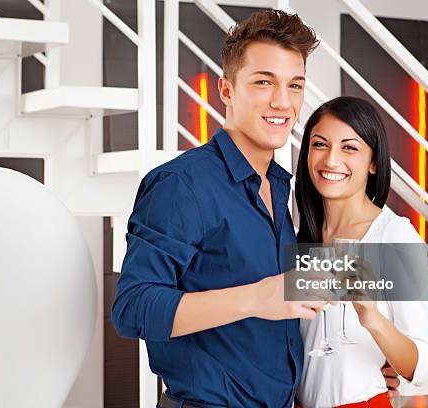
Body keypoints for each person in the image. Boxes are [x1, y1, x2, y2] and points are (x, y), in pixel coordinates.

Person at [112, 10, 324, 407]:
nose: (283, 101)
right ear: (226, 90)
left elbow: (279, 315)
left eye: (295, 85)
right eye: (264, 82)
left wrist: (361, 367)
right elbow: (133, 307)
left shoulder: (279, 185)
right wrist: (254, 299)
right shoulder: (182, 185)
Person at [294, 96, 428, 408]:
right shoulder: (299, 240)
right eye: (320, 144)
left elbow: (424, 366)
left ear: (373, 162)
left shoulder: (393, 236)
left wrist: (372, 319)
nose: (331, 160)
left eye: (349, 147)